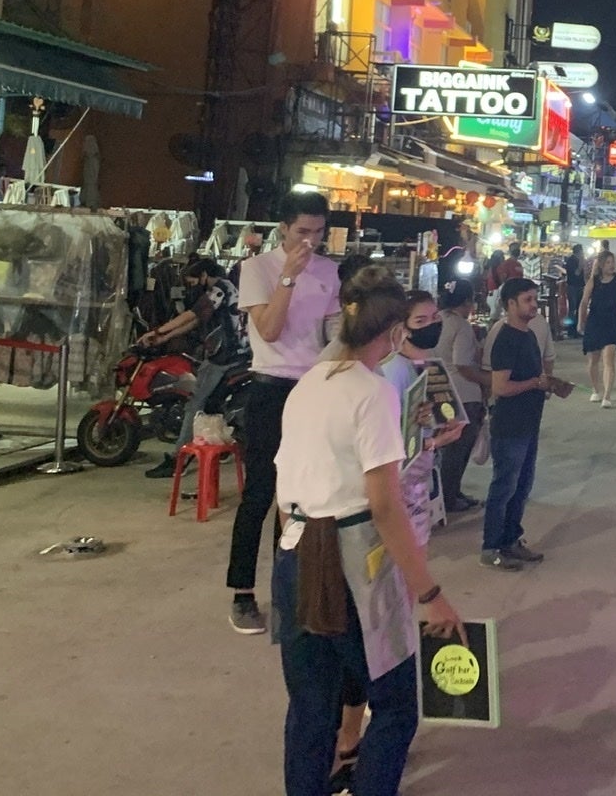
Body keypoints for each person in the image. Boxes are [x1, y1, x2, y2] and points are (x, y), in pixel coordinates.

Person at [272, 268, 465, 796]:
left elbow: (282, 485)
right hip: (354, 563)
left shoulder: (308, 384)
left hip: (294, 552)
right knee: (396, 703)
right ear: (395, 331)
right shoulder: (372, 392)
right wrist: (430, 593)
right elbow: (384, 505)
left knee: (311, 708)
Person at [227, 192, 340, 636]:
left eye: (318, 232)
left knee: (302, 497)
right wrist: (289, 277)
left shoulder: (329, 271)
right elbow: (270, 330)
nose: (310, 241)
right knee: (260, 494)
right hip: (269, 388)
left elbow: (332, 335)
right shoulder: (258, 269)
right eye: (302, 232)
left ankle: (287, 591)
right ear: (283, 230)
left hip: (312, 390)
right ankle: (242, 593)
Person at [481, 277, 566, 571]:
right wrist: (534, 383)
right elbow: (500, 387)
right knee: (504, 487)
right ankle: (491, 547)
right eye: (527, 300)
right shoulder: (505, 338)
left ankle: (511, 540)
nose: (534, 305)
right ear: (510, 304)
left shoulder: (529, 334)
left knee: (522, 486)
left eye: (534, 298)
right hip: (509, 427)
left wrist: (547, 384)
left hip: (528, 424)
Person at [142, 256, 249, 478]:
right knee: (210, 402)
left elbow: (190, 315)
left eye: (192, 281)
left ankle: (178, 459)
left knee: (194, 405)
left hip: (224, 356)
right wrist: (164, 337)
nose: (192, 286)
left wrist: (158, 331)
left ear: (204, 275)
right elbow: (196, 320)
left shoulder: (219, 289)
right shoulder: (228, 287)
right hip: (238, 354)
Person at [432, 279, 492, 514]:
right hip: (464, 394)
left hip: (440, 390)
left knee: (448, 449)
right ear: (468, 301)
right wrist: (487, 380)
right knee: (458, 450)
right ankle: (450, 497)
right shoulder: (461, 326)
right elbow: (462, 364)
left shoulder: (438, 320)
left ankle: (450, 493)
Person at [579, 250, 616, 407]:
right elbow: (584, 302)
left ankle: (607, 395)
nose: (611, 265)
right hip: (595, 322)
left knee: (609, 360)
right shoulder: (593, 281)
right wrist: (580, 321)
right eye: (608, 262)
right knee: (593, 359)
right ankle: (595, 389)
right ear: (601, 265)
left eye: (613, 262)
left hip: (612, 323)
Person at [564, 244, 586, 335]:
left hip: (579, 286)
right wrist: (581, 265)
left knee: (579, 308)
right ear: (579, 251)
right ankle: (571, 330)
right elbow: (576, 273)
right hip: (573, 287)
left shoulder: (577, 260)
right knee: (572, 309)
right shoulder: (571, 261)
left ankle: (577, 328)